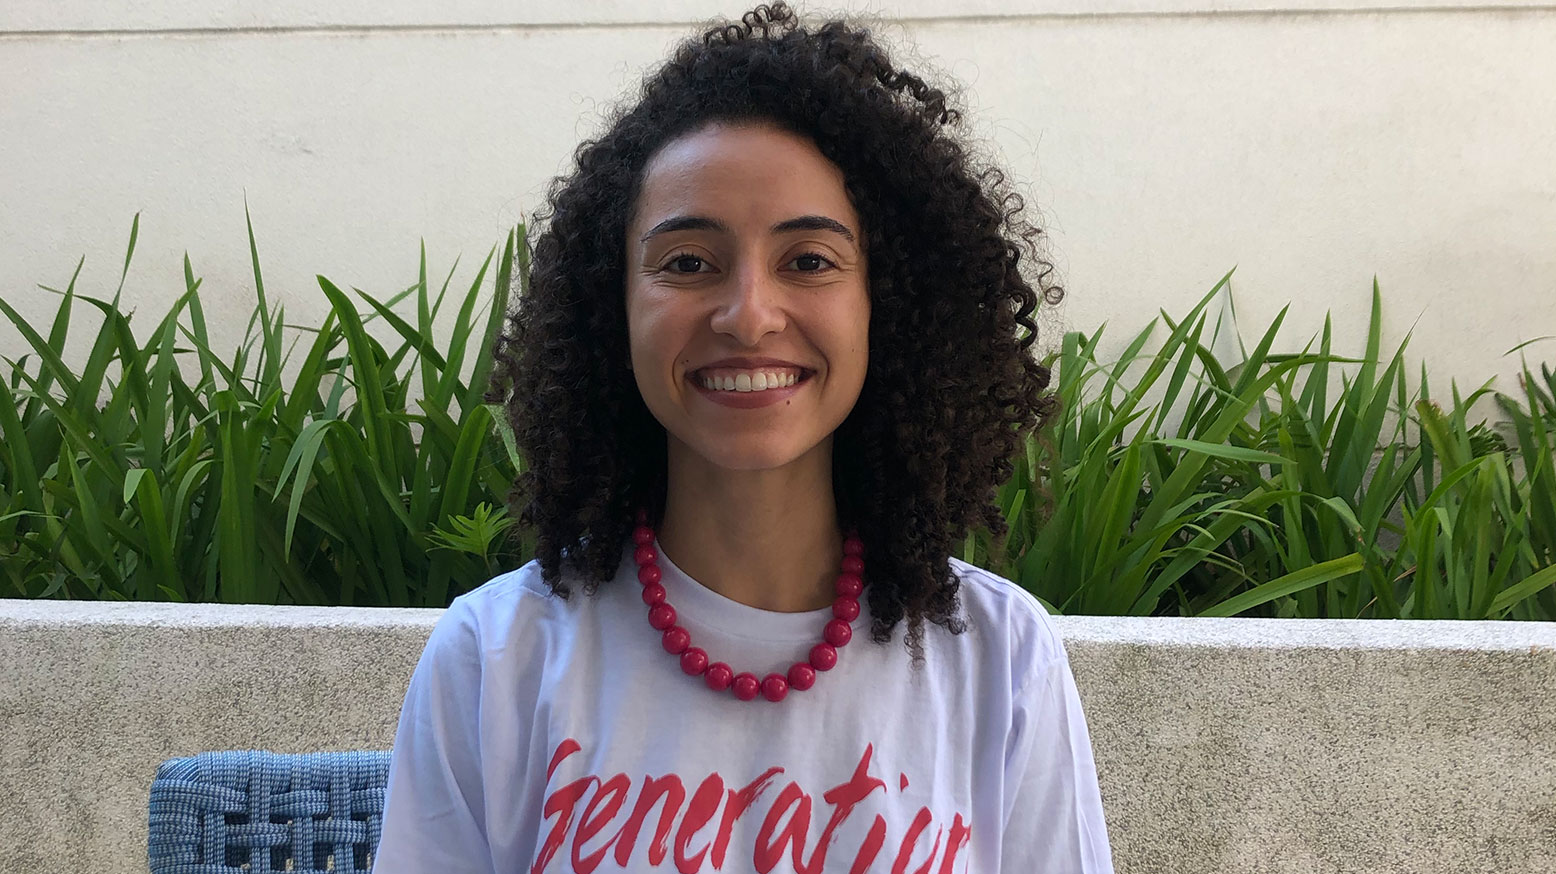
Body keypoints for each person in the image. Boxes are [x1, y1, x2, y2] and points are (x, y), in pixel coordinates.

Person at [373, 4, 1114, 872]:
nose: (749, 316)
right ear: (613, 308)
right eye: (688, 262)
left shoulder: (1002, 659)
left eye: (809, 261)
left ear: (887, 306)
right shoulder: (497, 659)